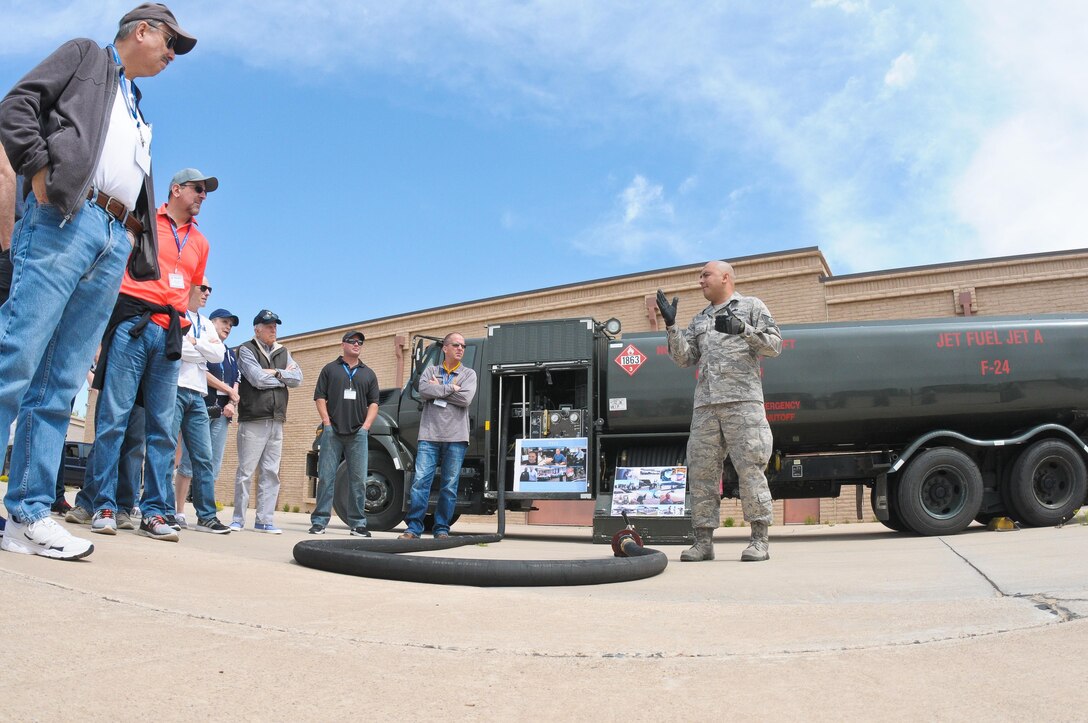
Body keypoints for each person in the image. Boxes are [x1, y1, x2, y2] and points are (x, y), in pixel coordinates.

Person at [0, 4, 196, 559]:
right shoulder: (87, 56)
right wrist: (39, 168)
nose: (171, 56)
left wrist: (136, 244)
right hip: (66, 218)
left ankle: (27, 515)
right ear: (142, 31)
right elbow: (16, 105)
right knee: (14, 357)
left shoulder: (136, 105)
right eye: (170, 44)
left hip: (114, 238)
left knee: (61, 381)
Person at [79, 167, 216, 543]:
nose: (204, 196)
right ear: (176, 189)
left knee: (161, 429)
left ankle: (155, 511)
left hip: (169, 334)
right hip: (132, 325)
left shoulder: (201, 243)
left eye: (206, 192)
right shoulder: (142, 220)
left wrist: (182, 324)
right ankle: (104, 504)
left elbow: (191, 291)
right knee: (114, 418)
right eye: (198, 189)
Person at [656, 260, 782, 562]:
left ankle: (759, 540)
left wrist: (744, 330)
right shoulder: (699, 319)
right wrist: (672, 326)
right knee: (701, 472)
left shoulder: (751, 306)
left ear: (725, 277)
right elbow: (684, 359)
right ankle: (703, 542)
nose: (700, 280)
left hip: (743, 404)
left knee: (750, 469)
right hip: (706, 407)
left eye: (705, 275)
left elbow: (774, 346)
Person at [399, 333, 477, 540]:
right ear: (444, 348)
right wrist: (451, 387)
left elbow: (465, 398)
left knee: (449, 486)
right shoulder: (430, 370)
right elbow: (423, 389)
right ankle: (413, 528)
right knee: (420, 483)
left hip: (456, 438)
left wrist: (438, 389)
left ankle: (442, 529)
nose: (461, 348)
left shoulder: (469, 374)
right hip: (429, 436)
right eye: (456, 345)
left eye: (463, 346)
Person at [231, 309, 302, 533]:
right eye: (269, 326)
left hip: (277, 419)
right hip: (253, 418)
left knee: (271, 472)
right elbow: (257, 379)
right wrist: (283, 377)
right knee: (246, 471)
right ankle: (238, 520)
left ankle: (265, 520)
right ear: (257, 329)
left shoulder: (283, 351)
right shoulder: (246, 349)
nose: (274, 330)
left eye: (275, 326)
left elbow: (297, 378)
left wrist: (276, 373)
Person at [170, 280, 229, 533]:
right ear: (189, 287)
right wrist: (202, 349)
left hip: (198, 396)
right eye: (202, 288)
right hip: (173, 389)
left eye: (210, 290)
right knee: (165, 451)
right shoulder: (174, 313)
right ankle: (162, 510)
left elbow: (219, 354)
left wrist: (195, 344)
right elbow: (177, 349)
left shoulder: (205, 323)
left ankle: (206, 516)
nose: (207, 293)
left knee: (204, 458)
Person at [309, 330, 380, 536]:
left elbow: (374, 403)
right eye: (352, 341)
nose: (356, 344)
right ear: (343, 344)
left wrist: (366, 427)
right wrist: (326, 423)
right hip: (332, 432)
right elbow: (319, 397)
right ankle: (320, 521)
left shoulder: (368, 373)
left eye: (360, 342)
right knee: (326, 477)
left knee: (358, 480)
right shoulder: (330, 370)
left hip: (358, 434)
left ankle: (357, 523)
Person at [174, 307, 239, 513]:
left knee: (212, 462)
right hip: (201, 406)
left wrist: (232, 402)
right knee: (188, 462)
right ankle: (180, 510)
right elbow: (204, 372)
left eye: (230, 324)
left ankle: (206, 510)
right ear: (211, 324)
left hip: (223, 414)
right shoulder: (204, 343)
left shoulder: (228, 353)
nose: (227, 327)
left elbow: (236, 378)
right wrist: (227, 389)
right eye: (224, 322)